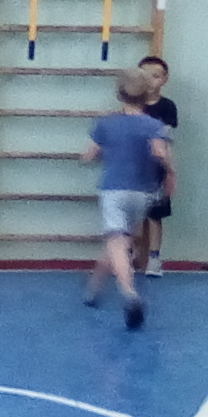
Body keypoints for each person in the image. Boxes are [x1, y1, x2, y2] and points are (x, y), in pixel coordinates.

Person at [82, 67, 175, 330]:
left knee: (117, 241)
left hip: (114, 190)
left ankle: (129, 293)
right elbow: (160, 154)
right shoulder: (154, 125)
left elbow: (90, 154)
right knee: (120, 242)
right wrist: (170, 173)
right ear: (146, 95)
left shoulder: (107, 123)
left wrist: (90, 157)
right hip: (142, 192)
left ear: (119, 94)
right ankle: (93, 290)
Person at [137, 56, 178, 278]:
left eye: (155, 76)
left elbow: (166, 140)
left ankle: (154, 258)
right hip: (133, 167)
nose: (149, 80)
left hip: (156, 169)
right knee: (131, 214)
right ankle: (127, 254)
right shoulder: (133, 104)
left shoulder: (167, 106)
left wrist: (170, 170)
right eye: (144, 75)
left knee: (154, 215)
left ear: (164, 79)